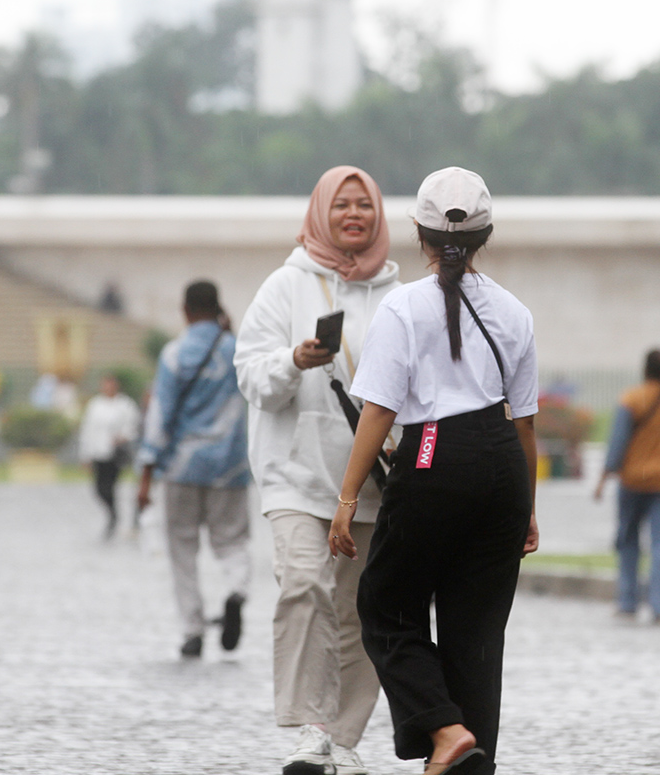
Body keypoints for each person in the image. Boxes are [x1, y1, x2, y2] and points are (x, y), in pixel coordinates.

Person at [329, 166, 539, 775]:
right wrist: (525, 506)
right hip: (501, 463)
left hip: (431, 454)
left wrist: (346, 501)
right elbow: (523, 424)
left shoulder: (403, 308)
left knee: (386, 605)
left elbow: (378, 413)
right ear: (486, 236)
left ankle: (446, 734)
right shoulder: (515, 312)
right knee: (477, 635)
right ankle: (469, 758)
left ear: (418, 234)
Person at [234, 165, 400, 775]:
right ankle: (310, 730)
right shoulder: (286, 285)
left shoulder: (398, 297)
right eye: (342, 205)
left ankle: (345, 737)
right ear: (320, 213)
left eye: (364, 206)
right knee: (305, 586)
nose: (353, 215)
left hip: (373, 484)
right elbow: (251, 374)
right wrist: (293, 358)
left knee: (360, 611)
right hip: (296, 478)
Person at [136, 280, 251, 660]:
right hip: (231, 468)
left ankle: (193, 630)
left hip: (182, 468)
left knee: (182, 550)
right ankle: (236, 591)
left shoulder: (175, 354)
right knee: (231, 542)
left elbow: (160, 416)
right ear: (219, 308)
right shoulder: (237, 349)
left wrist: (146, 474)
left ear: (185, 311)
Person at [594, 349, 660, 624]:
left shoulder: (631, 399)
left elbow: (617, 443)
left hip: (633, 479)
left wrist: (604, 477)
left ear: (645, 370)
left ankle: (628, 601)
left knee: (628, 540)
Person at [78, 373, 141, 538]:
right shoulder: (95, 405)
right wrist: (85, 454)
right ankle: (113, 512)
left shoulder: (125, 405)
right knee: (99, 488)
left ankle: (114, 518)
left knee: (111, 485)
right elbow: (87, 430)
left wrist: (123, 436)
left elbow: (133, 426)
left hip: (114, 453)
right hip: (98, 451)